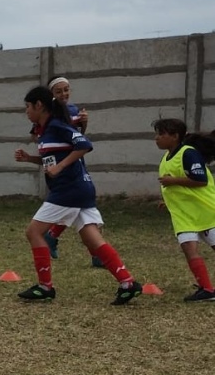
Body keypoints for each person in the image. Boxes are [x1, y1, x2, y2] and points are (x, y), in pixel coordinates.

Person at [13, 86, 142, 305]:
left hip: (68, 190)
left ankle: (45, 287)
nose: (26, 112)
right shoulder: (45, 131)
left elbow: (84, 145)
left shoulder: (56, 125)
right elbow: (53, 158)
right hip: (80, 189)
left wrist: (61, 166)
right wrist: (30, 159)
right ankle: (127, 283)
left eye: (27, 107)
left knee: (34, 232)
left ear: (39, 105)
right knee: (92, 239)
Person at [38, 76, 99, 266]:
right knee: (80, 206)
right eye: (59, 91)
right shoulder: (49, 117)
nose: (64, 94)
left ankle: (53, 237)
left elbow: (80, 139)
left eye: (67, 89)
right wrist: (52, 166)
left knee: (84, 209)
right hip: (66, 170)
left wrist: (84, 123)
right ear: (50, 95)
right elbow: (45, 143)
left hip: (75, 164)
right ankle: (99, 256)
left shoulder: (73, 110)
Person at [153, 118, 215, 301]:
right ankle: (207, 289)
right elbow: (178, 188)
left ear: (174, 136)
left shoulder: (188, 153)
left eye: (161, 134)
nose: (156, 138)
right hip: (184, 215)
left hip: (204, 210)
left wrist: (173, 181)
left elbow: (200, 180)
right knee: (189, 248)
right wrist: (168, 200)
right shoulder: (166, 157)